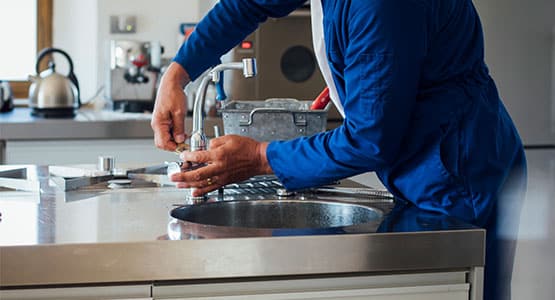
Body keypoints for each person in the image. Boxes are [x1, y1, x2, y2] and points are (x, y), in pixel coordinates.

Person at [151, 1, 527, 299]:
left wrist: (259, 157)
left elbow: (369, 139)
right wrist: (177, 73)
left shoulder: (380, 5)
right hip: (426, 161)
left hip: (460, 172)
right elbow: (248, 4)